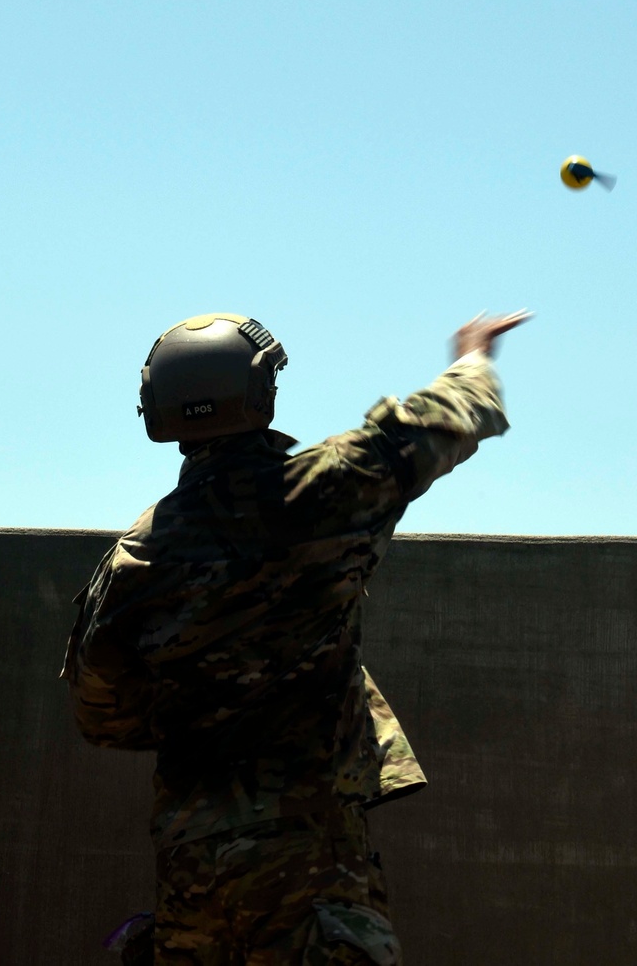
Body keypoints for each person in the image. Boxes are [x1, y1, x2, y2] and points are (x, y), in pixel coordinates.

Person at [63, 307, 529, 966]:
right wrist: (474, 354)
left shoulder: (133, 561)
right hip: (308, 855)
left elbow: (104, 716)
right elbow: (443, 419)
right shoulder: (322, 490)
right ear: (261, 394)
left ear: (157, 411)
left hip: (192, 869)